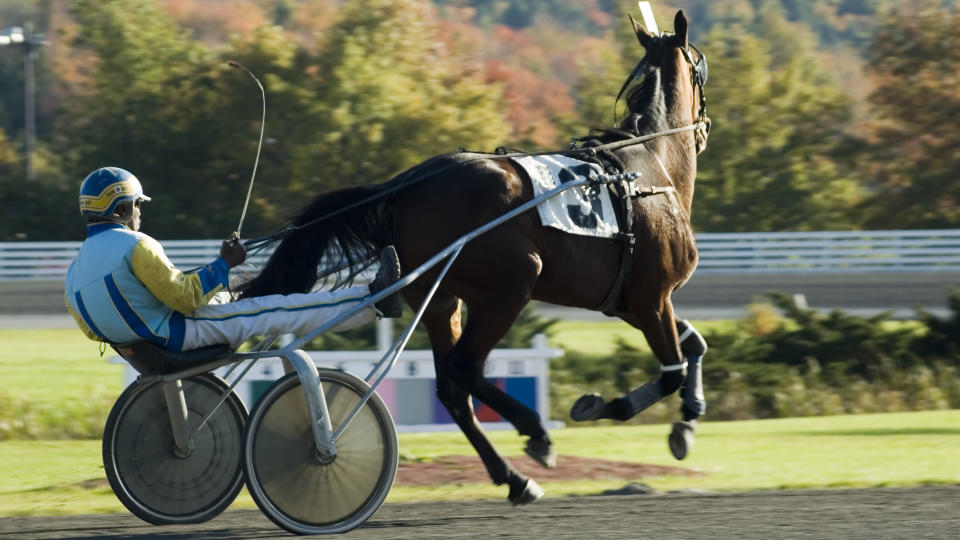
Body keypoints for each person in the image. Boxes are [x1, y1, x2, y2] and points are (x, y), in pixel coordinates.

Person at [64, 167, 402, 354]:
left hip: (147, 347)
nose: (139, 212)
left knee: (241, 301)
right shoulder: (135, 245)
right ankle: (371, 302)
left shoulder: (74, 271)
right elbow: (185, 298)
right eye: (137, 205)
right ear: (121, 209)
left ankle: (237, 298)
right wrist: (223, 264)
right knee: (276, 309)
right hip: (178, 335)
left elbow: (95, 331)